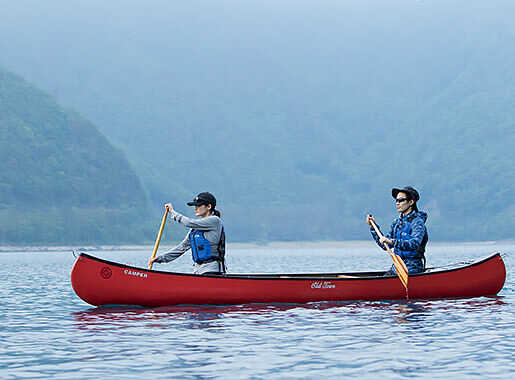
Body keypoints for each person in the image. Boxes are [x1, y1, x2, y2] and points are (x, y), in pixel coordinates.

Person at [149, 192, 226, 275]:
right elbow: (181, 248)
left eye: (198, 205)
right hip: (199, 272)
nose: (195, 208)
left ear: (209, 206)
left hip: (212, 271)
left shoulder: (215, 221)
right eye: (195, 206)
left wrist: (172, 212)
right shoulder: (195, 229)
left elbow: (189, 223)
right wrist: (160, 258)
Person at [366, 186, 428, 274]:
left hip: (413, 267)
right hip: (397, 266)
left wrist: (393, 241)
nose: (397, 203)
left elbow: (414, 244)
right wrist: (373, 227)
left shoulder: (417, 223)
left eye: (401, 200)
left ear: (411, 202)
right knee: (383, 278)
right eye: (396, 200)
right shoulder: (396, 223)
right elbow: (384, 245)